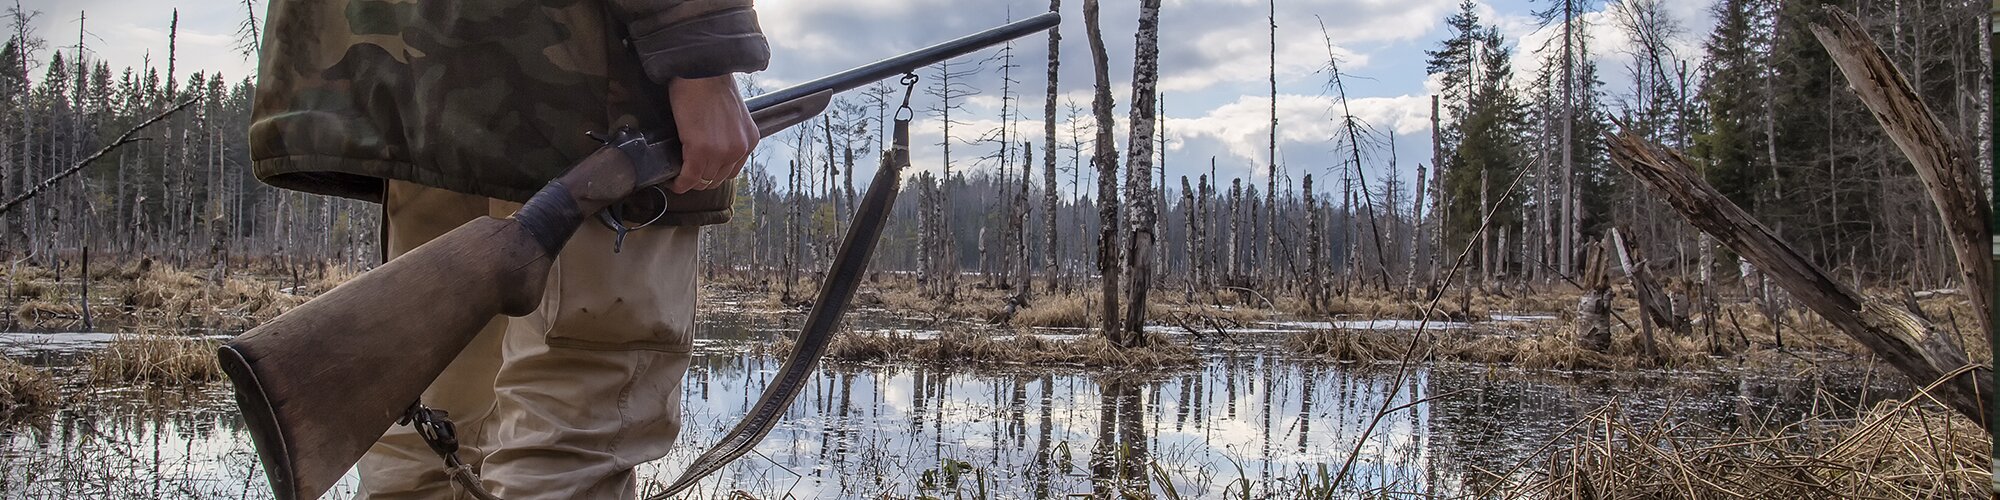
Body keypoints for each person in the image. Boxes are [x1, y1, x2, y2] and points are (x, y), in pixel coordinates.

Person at [247, 0, 767, 498]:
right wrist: (702, 55)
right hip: (585, 86)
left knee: (422, 447)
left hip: (424, 94)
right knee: (570, 437)